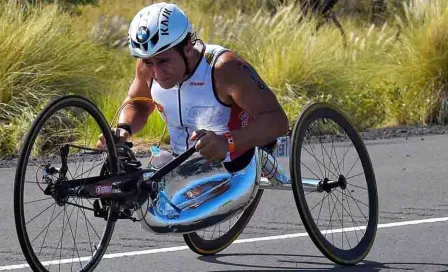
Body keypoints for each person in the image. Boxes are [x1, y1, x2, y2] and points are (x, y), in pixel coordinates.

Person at [96, 2, 289, 170]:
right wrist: (124, 128)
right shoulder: (147, 66)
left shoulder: (225, 68)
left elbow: (278, 121)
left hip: (233, 161)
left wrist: (227, 142)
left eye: (163, 61)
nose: (156, 72)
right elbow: (138, 104)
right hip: (182, 165)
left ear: (188, 46)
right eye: (148, 62)